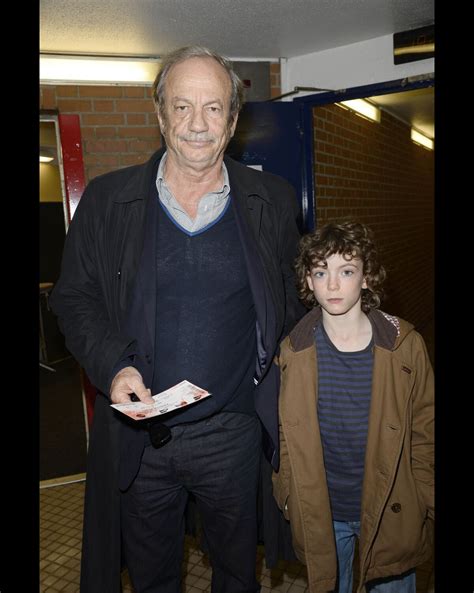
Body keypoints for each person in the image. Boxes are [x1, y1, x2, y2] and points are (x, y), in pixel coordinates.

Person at [50, 45, 304, 593]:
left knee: (238, 574)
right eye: (181, 106)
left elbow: (294, 302)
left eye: (213, 108)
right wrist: (114, 365)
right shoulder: (106, 200)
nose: (197, 124)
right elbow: (73, 298)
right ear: (160, 114)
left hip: (232, 434)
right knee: (152, 575)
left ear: (233, 120)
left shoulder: (272, 201)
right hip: (144, 441)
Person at [272, 221, 434, 593]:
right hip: (323, 508)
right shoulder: (293, 352)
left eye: (346, 271)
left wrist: (425, 494)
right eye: (320, 272)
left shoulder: (404, 347)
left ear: (365, 278)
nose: (332, 284)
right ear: (308, 282)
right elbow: (282, 431)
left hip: (392, 499)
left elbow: (427, 426)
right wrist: (286, 492)